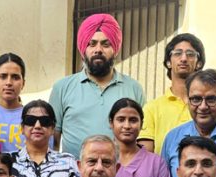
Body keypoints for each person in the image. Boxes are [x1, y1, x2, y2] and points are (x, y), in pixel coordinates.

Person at [49, 13, 145, 158]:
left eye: (105, 44)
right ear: (83, 50)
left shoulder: (133, 88)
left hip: (121, 175)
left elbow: (141, 139)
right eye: (92, 44)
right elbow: (52, 141)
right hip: (73, 176)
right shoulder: (62, 88)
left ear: (115, 50)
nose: (98, 49)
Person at [138, 33, 216, 154]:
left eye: (190, 54)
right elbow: (145, 159)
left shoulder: (215, 105)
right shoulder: (152, 109)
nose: (183, 58)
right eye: (177, 53)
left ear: (199, 63)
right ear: (168, 62)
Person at [10, 99, 80, 177]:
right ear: (22, 128)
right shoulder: (8, 161)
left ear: (52, 128)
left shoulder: (68, 162)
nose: (37, 126)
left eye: (45, 121)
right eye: (30, 121)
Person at [110, 97, 170, 177]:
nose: (127, 126)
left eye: (133, 120)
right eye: (121, 119)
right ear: (111, 123)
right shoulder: (100, 159)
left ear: (141, 124)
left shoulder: (156, 163)